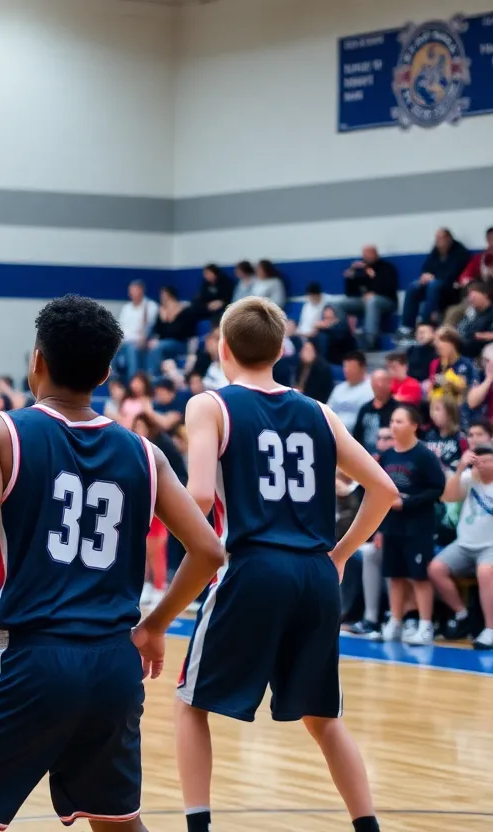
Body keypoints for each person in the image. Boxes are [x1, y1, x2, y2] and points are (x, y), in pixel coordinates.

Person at [0, 295, 226, 832]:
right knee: (117, 823)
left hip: (33, 661)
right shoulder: (147, 453)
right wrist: (155, 625)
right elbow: (209, 551)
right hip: (115, 667)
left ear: (37, 360)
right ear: (106, 372)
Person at [176, 296, 397, 832]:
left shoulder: (211, 405)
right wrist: (339, 555)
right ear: (281, 350)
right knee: (324, 719)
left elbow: (200, 495)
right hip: (315, 576)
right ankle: (367, 826)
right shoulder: (320, 411)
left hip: (253, 567)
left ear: (221, 347)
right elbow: (384, 490)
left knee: (190, 703)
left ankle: (198, 828)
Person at [373, 405, 446, 645]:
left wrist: (408, 503)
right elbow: (379, 491)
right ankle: (395, 621)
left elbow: (437, 488)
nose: (394, 425)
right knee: (394, 575)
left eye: (399, 421)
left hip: (418, 525)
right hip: (392, 525)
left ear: (414, 425)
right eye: (392, 421)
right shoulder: (387, 456)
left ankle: (425, 625)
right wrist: (380, 528)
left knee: (419, 576)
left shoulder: (424, 455)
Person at [429, 444, 493, 649]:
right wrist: (459, 470)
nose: (481, 465)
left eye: (487, 460)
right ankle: (462, 614)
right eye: (478, 460)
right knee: (435, 569)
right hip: (464, 544)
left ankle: (490, 629)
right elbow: (447, 497)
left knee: (485, 572)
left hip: (490, 546)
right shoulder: (469, 478)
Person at [400, 228, 471, 331]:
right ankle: (406, 328)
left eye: (440, 238)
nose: (437, 241)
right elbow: (426, 267)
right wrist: (425, 275)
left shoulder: (460, 252)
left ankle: (426, 323)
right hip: (433, 285)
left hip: (451, 290)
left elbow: (452, 273)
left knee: (434, 285)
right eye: (436, 238)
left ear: (449, 238)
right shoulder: (435, 251)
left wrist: (433, 277)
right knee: (413, 286)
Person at [336, 245, 399, 349]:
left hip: (387, 301)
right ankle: (343, 337)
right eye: (364, 255)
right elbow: (350, 293)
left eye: (368, 254)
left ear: (375, 254)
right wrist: (351, 276)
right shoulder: (360, 269)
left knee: (372, 301)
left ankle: (369, 341)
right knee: (339, 304)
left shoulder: (387, 268)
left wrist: (374, 280)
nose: (365, 257)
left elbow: (390, 288)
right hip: (364, 301)